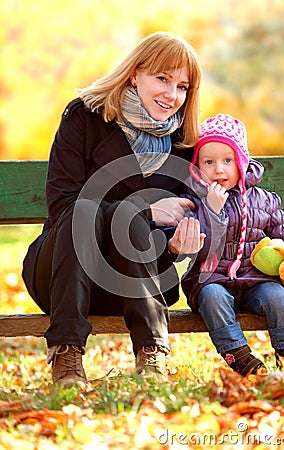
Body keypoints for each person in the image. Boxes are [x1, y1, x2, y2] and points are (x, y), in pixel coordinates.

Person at [22, 32, 205, 387]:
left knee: (133, 225)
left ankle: (152, 355)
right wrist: (146, 210)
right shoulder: (85, 117)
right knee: (85, 210)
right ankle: (66, 353)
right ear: (135, 73)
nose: (172, 95)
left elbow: (194, 211)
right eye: (162, 78)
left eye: (182, 87)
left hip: (138, 279)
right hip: (67, 275)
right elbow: (63, 206)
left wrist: (178, 242)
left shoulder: (185, 143)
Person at [180, 113, 284, 376]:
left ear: (242, 162)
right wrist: (211, 210)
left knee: (278, 297)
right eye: (208, 162)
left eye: (227, 160)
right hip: (210, 280)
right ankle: (243, 359)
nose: (218, 169)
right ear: (197, 166)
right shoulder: (192, 201)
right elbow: (200, 249)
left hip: (257, 280)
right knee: (212, 298)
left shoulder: (264, 201)